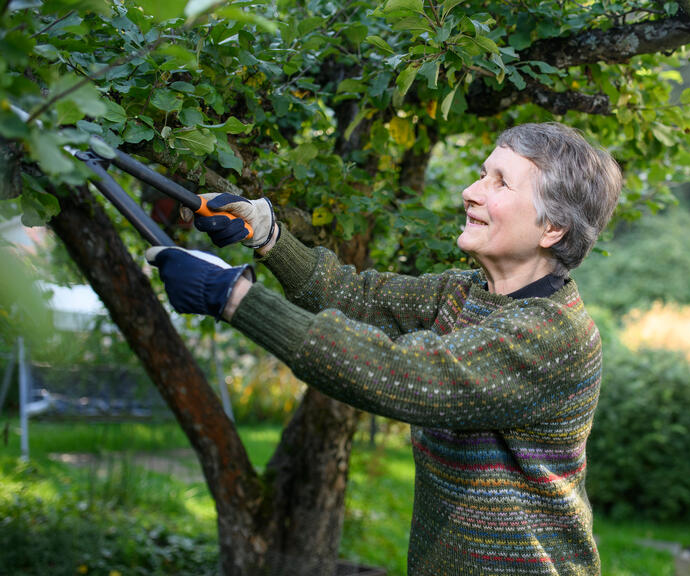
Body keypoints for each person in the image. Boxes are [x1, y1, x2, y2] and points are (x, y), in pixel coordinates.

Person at [146, 122, 622, 575]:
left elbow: (405, 377)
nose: (471, 191)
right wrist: (269, 236)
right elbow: (359, 297)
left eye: (501, 184)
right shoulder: (464, 294)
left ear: (552, 229)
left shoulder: (554, 336)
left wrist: (234, 299)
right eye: (482, 174)